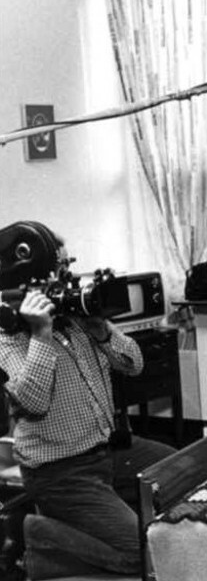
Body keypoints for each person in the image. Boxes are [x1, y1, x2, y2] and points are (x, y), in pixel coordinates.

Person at [0, 226, 175, 580]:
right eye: (57, 269)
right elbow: (33, 401)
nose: (66, 278)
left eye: (67, 267)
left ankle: (108, 518)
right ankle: (38, 535)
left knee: (186, 475)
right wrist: (42, 334)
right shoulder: (8, 337)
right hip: (60, 472)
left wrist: (101, 330)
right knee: (143, 553)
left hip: (108, 450)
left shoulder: (77, 317)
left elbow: (134, 364)